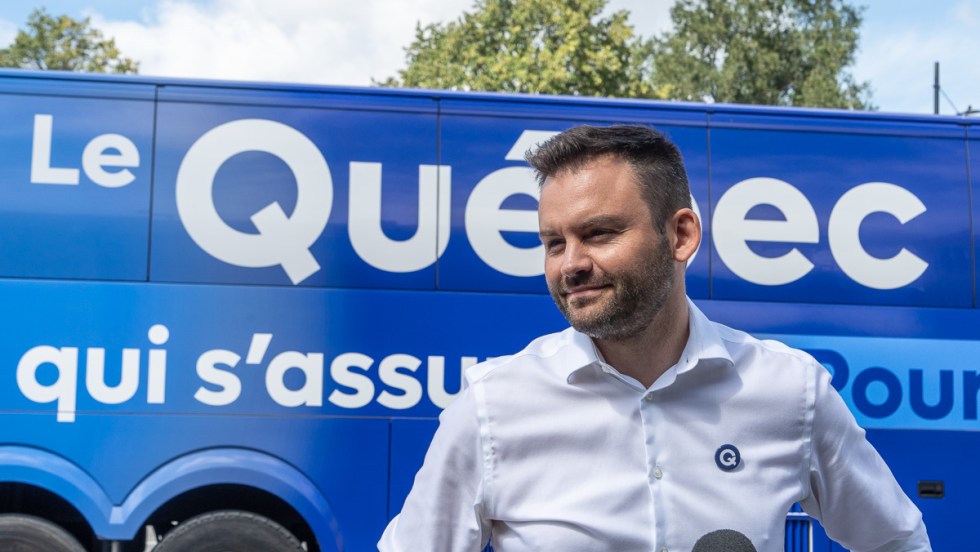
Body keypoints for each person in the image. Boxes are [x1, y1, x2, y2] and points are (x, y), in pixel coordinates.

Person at [378, 125, 931, 552]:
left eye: (598, 233)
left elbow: (895, 540)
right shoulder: (491, 407)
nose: (570, 264)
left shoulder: (791, 391)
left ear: (681, 235)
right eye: (553, 242)